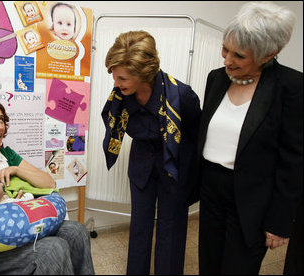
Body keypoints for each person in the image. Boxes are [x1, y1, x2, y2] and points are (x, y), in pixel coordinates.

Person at [196, 2, 303, 274]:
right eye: (225, 49)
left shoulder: (290, 87)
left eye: (239, 56)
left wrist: (280, 221)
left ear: (269, 54)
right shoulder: (217, 79)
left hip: (253, 199)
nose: (227, 60)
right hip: (211, 189)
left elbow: (293, 160)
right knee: (209, 264)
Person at [0, 98, 95, 275]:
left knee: (77, 231)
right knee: (53, 248)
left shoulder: (6, 155)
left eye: (1, 120)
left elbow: (49, 182)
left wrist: (16, 170)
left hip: (20, 232)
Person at [101, 30, 201, 275]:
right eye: (115, 77)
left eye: (122, 78)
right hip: (142, 165)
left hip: (174, 166)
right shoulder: (121, 96)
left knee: (171, 229)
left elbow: (196, 137)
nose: (116, 83)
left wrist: (192, 181)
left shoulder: (182, 96)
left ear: (142, 73)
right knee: (139, 227)